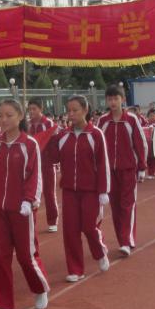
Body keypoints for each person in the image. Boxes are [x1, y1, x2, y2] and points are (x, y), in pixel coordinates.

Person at [0, 99, 49, 309]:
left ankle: (39, 288)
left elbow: (35, 176)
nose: (3, 119)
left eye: (9, 115)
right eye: (0, 115)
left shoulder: (29, 144)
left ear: (20, 117)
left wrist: (29, 201)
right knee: (0, 258)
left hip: (22, 210)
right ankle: (5, 306)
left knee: (26, 256)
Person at [44, 95, 110, 282]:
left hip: (90, 190)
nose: (71, 114)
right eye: (69, 111)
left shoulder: (95, 134)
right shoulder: (63, 135)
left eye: (75, 110)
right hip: (69, 191)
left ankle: (99, 252)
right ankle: (75, 269)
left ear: (85, 110)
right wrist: (51, 140)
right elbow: (54, 158)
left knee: (89, 227)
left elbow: (103, 163)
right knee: (70, 230)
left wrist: (103, 191)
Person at [96, 86, 147, 257]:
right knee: (116, 206)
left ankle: (127, 240)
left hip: (128, 169)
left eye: (115, 99)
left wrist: (142, 167)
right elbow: (97, 145)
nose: (112, 102)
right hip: (109, 172)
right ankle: (122, 239)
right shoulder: (103, 121)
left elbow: (140, 143)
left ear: (123, 100)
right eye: (109, 99)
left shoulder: (131, 120)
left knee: (127, 204)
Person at [27, 99, 60, 232]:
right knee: (29, 193)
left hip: (46, 163)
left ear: (41, 109)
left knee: (49, 193)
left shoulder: (49, 124)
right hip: (32, 164)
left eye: (34, 109)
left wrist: (53, 159)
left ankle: (52, 221)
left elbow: (55, 143)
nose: (31, 111)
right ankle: (29, 221)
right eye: (30, 109)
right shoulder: (27, 125)